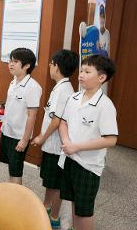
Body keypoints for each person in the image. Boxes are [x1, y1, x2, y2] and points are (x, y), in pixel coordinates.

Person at [58, 55, 117, 230]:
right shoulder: (74, 98)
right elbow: (63, 122)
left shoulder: (105, 105)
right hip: (70, 159)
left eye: (87, 71)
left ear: (101, 78)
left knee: (84, 211)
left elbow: (111, 139)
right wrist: (67, 141)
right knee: (74, 204)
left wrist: (76, 146)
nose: (81, 74)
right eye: (81, 70)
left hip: (88, 166)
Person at [30, 49, 79, 229]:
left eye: (51, 63)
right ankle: (46, 207)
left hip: (56, 146)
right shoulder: (61, 87)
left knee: (57, 183)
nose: (49, 66)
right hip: (52, 145)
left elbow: (57, 120)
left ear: (57, 67)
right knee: (51, 180)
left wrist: (42, 137)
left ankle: (55, 217)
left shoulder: (63, 90)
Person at [0, 48, 42, 185]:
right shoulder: (13, 81)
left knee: (16, 171)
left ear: (27, 65)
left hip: (18, 137)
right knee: (11, 169)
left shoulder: (33, 87)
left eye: (15, 61)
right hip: (7, 132)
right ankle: (12, 195)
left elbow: (32, 116)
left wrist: (24, 140)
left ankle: (16, 202)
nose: (10, 64)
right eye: (10, 61)